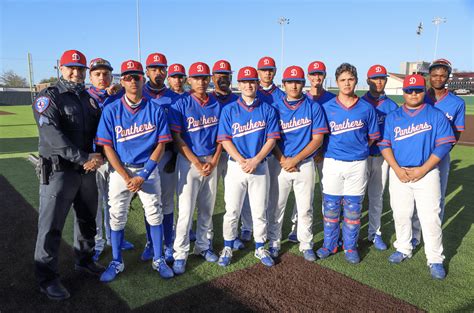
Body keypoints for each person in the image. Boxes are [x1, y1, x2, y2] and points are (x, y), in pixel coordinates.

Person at [32, 49, 104, 300]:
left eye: (80, 68)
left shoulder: (88, 99)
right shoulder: (49, 97)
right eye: (71, 68)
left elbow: (101, 131)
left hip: (85, 172)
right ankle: (47, 278)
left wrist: (100, 156)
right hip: (59, 171)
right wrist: (85, 158)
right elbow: (52, 137)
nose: (76, 72)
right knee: (51, 226)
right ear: (60, 69)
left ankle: (84, 260)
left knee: (87, 220)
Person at [96, 60, 174, 282]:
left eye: (136, 77)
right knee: (117, 216)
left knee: (155, 213)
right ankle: (116, 261)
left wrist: (144, 173)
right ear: (122, 81)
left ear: (143, 79)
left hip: (147, 171)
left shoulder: (155, 109)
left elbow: (161, 144)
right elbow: (107, 146)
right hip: (121, 172)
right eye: (128, 77)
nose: (132, 81)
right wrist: (126, 175)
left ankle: (158, 259)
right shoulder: (111, 109)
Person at [378, 74, 455, 280]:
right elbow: (385, 144)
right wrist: (395, 168)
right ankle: (403, 248)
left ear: (424, 91)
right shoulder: (394, 116)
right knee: (401, 214)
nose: (413, 94)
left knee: (430, 218)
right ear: (403, 92)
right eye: (409, 90)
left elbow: (444, 144)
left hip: (427, 173)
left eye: (418, 90)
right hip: (400, 172)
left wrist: (423, 169)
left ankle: (435, 258)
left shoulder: (435, 115)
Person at [216, 66, 280, 267]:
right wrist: (242, 160)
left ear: (257, 83)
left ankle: (260, 247)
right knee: (232, 209)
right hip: (236, 165)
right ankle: (227, 246)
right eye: (244, 82)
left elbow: (271, 139)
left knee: (260, 209)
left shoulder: (267, 109)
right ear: (239, 84)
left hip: (259, 165)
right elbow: (225, 139)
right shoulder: (229, 109)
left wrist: (256, 159)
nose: (249, 85)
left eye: (252, 81)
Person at [316, 63, 380, 264]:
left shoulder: (366, 108)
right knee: (331, 207)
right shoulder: (326, 108)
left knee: (353, 209)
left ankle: (350, 246)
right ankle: (330, 244)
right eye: (342, 80)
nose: (346, 83)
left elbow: (371, 137)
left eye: (350, 79)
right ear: (337, 82)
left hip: (357, 164)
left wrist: (359, 149)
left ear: (356, 81)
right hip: (333, 162)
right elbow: (321, 137)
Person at [267, 65, 328, 261]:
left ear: (303, 84)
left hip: (305, 163)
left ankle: (306, 243)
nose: (294, 85)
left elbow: (317, 139)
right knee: (276, 206)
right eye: (290, 82)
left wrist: (296, 159)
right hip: (280, 162)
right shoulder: (275, 107)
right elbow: (271, 139)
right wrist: (283, 159)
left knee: (305, 207)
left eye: (298, 82)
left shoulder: (313, 107)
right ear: (283, 84)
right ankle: (274, 242)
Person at [168, 62, 222, 275]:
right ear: (189, 80)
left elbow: (222, 138)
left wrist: (215, 161)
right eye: (196, 78)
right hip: (189, 161)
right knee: (186, 211)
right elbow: (177, 137)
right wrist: (197, 163)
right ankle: (180, 253)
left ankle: (202, 246)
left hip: (211, 160)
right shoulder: (180, 104)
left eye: (204, 77)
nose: (201, 81)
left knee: (207, 208)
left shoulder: (217, 104)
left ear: (209, 79)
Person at [411, 59, 466, 248]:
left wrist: (441, 153)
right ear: (428, 76)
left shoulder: (456, 102)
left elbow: (456, 133)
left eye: (443, 75)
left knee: (438, 198)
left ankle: (431, 235)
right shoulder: (419, 96)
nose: (438, 78)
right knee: (415, 197)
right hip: (417, 155)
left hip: (440, 157)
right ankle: (415, 235)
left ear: (448, 77)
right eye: (434, 75)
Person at [87, 58, 134, 262]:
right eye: (97, 74)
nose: (102, 77)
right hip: (95, 159)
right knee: (96, 204)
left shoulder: (119, 96)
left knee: (114, 202)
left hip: (115, 158)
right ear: (91, 77)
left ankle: (115, 239)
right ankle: (97, 242)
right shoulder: (84, 97)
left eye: (106, 74)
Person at [287, 61, 336, 243]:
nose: (317, 77)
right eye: (313, 74)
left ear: (324, 75)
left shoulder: (332, 98)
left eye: (320, 74)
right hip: (305, 155)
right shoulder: (301, 98)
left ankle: (329, 229)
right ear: (308, 77)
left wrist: (321, 150)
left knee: (328, 192)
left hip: (326, 153)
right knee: (302, 194)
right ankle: (296, 227)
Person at [140, 53, 181, 264]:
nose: (158, 72)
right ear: (147, 71)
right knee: (150, 203)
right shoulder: (138, 94)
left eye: (161, 68)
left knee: (166, 202)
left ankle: (168, 244)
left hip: (166, 157)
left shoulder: (176, 97)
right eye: (154, 68)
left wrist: (174, 155)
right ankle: (150, 242)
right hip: (143, 158)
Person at [362, 65, 398, 250]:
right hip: (360, 157)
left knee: (376, 197)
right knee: (353, 198)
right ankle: (346, 234)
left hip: (382, 157)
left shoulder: (392, 106)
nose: (378, 81)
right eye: (375, 78)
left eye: (382, 78)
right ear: (368, 80)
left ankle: (374, 233)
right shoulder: (359, 103)